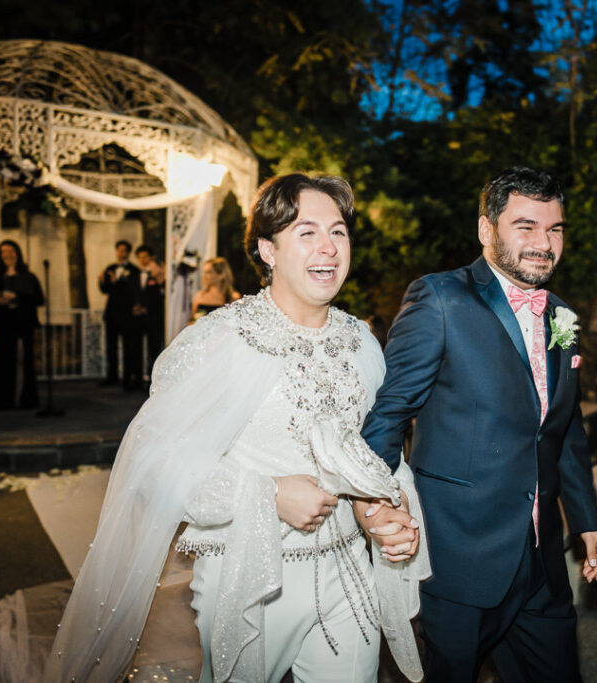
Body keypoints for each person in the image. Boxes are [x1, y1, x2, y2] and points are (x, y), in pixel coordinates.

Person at [45, 173, 429, 683]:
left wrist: (382, 508)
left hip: (349, 574)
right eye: (307, 232)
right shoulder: (219, 340)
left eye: (338, 232)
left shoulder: (363, 342)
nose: (329, 248)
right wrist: (267, 494)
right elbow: (156, 463)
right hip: (250, 577)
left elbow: (377, 454)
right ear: (267, 249)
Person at [361, 166, 597, 682]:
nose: (543, 243)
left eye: (554, 229)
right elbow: (386, 419)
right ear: (486, 229)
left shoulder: (564, 316)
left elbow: (564, 430)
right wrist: (380, 513)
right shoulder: (440, 299)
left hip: (542, 558)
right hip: (459, 555)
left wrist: (588, 520)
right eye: (526, 226)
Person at [0, 240, 44, 410]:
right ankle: (2, 399)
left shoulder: (28, 276)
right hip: (2, 324)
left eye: (11, 251)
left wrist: (16, 296)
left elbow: (38, 299)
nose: (7, 255)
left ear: (17, 253)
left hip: (22, 324)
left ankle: (23, 398)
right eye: (3, 252)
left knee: (22, 360)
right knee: (2, 361)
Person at [98, 240, 140, 389]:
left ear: (128, 252)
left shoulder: (134, 270)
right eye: (119, 250)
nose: (121, 253)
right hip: (112, 313)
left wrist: (117, 283)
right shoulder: (110, 268)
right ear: (116, 251)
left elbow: (133, 290)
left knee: (128, 347)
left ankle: (127, 378)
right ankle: (112, 376)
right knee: (111, 346)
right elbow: (105, 290)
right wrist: (103, 282)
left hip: (127, 313)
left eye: (124, 250)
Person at [132, 245, 165, 379]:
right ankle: (138, 377)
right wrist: (136, 306)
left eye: (145, 257)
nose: (143, 260)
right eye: (140, 257)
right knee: (136, 348)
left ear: (151, 257)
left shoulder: (158, 273)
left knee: (154, 348)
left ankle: (153, 377)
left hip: (153, 316)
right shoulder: (135, 274)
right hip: (138, 317)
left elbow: (159, 295)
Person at [189, 256, 240, 322]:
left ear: (221, 275)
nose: (204, 276)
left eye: (209, 272)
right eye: (204, 272)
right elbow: (192, 323)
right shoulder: (199, 296)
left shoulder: (234, 298)